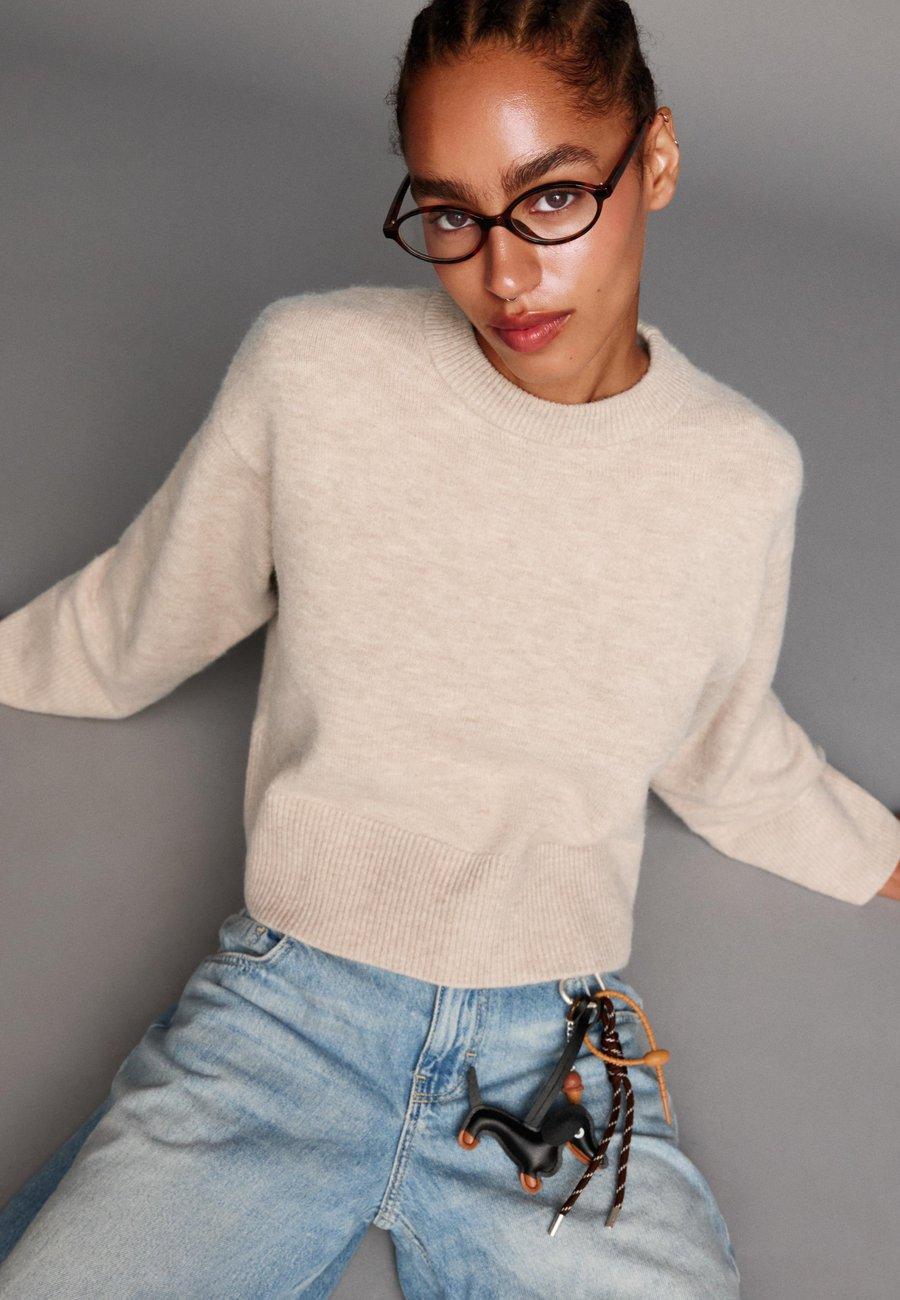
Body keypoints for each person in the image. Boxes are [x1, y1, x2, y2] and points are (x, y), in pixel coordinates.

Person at [1, 1, 897, 1295]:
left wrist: (878, 854)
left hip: (551, 1063)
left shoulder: (738, 473)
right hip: (288, 1019)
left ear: (654, 159)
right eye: (450, 214)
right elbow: (137, 621)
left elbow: (723, 744)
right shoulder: (316, 370)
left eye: (552, 198)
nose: (504, 273)